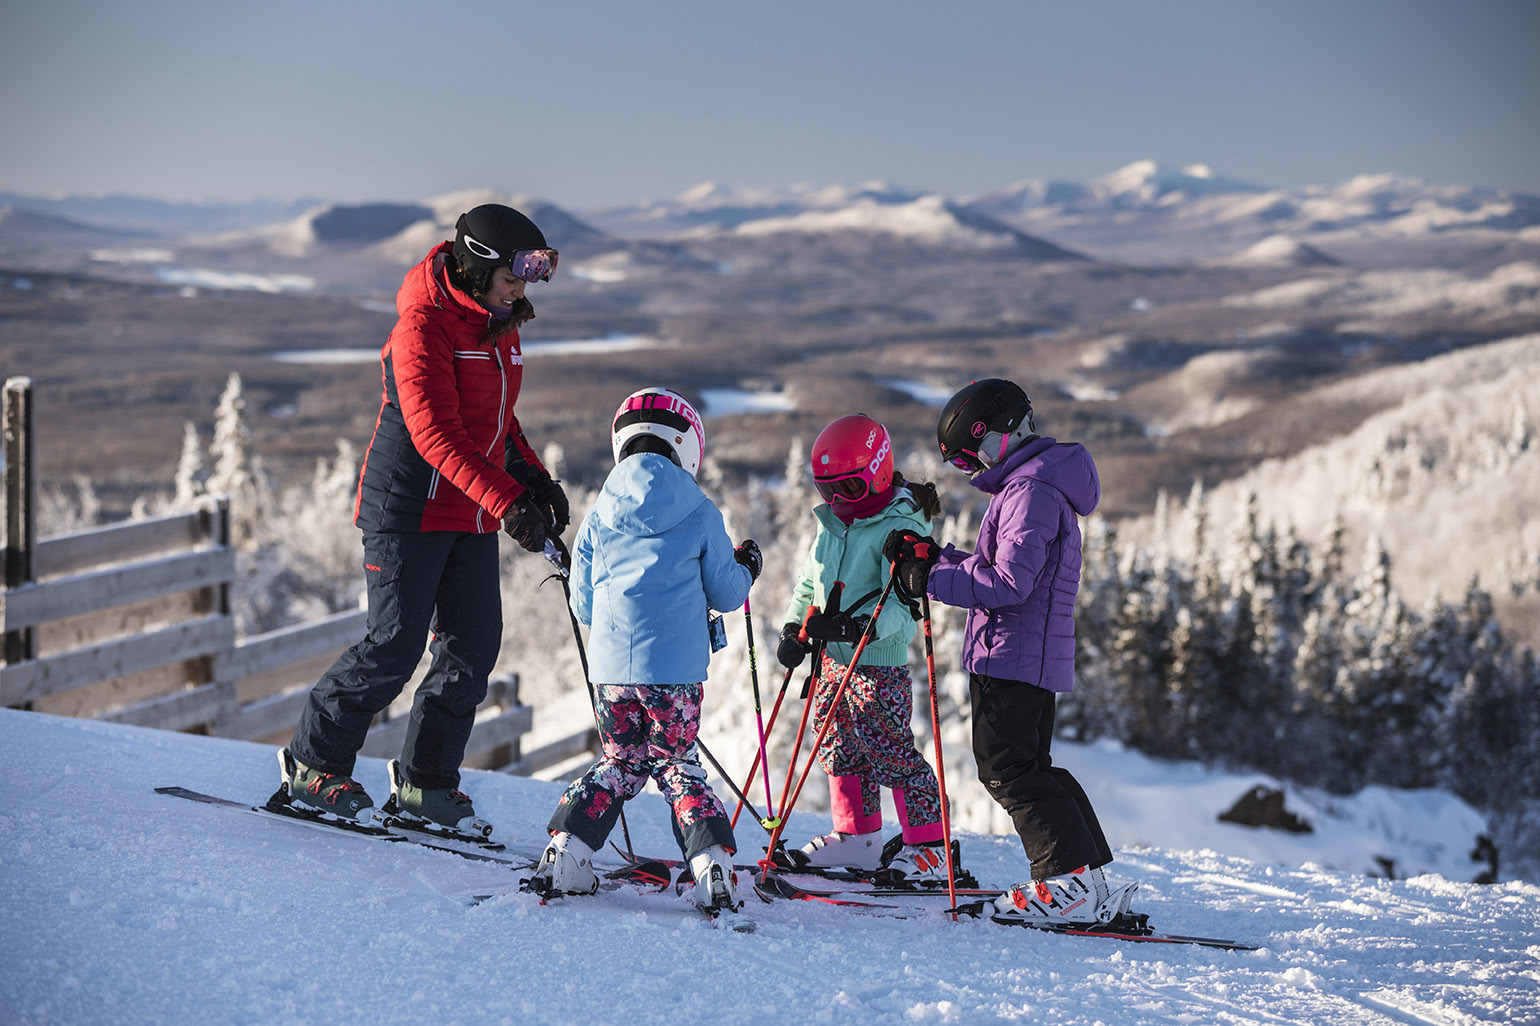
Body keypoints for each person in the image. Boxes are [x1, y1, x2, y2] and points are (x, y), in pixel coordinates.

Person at [280, 203, 568, 839]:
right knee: (396, 644)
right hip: (407, 508)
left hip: (467, 508)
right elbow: (436, 433)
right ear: (479, 265)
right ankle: (312, 764)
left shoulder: (499, 324)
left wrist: (535, 481)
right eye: (516, 273)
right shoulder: (423, 327)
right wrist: (507, 502)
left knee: (472, 646)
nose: (524, 288)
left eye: (534, 274)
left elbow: (496, 424)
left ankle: (424, 783)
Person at [885, 378, 1138, 924]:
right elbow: (1000, 569)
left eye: (967, 456)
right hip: (1021, 653)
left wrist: (929, 577)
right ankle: (1082, 880)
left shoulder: (1031, 493)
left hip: (1013, 655)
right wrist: (939, 557)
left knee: (1009, 772)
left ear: (998, 437)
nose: (966, 469)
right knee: (1030, 768)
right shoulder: (1032, 485)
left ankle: (1064, 885)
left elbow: (1007, 584)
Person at [527, 387, 759, 913]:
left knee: (620, 763)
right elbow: (728, 593)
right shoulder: (700, 512)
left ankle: (566, 852)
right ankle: (712, 870)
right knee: (677, 765)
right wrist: (748, 566)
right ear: (687, 447)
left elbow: (584, 606)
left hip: (610, 673)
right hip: (675, 674)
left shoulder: (597, 516)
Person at [774, 414, 955, 885]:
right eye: (825, 490)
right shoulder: (834, 523)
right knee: (838, 748)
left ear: (878, 472)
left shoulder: (898, 528)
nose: (836, 502)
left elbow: (903, 604)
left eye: (849, 489)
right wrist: (796, 626)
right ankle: (858, 835)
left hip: (876, 666)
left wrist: (859, 628)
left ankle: (930, 845)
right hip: (832, 661)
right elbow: (811, 581)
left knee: (890, 751)